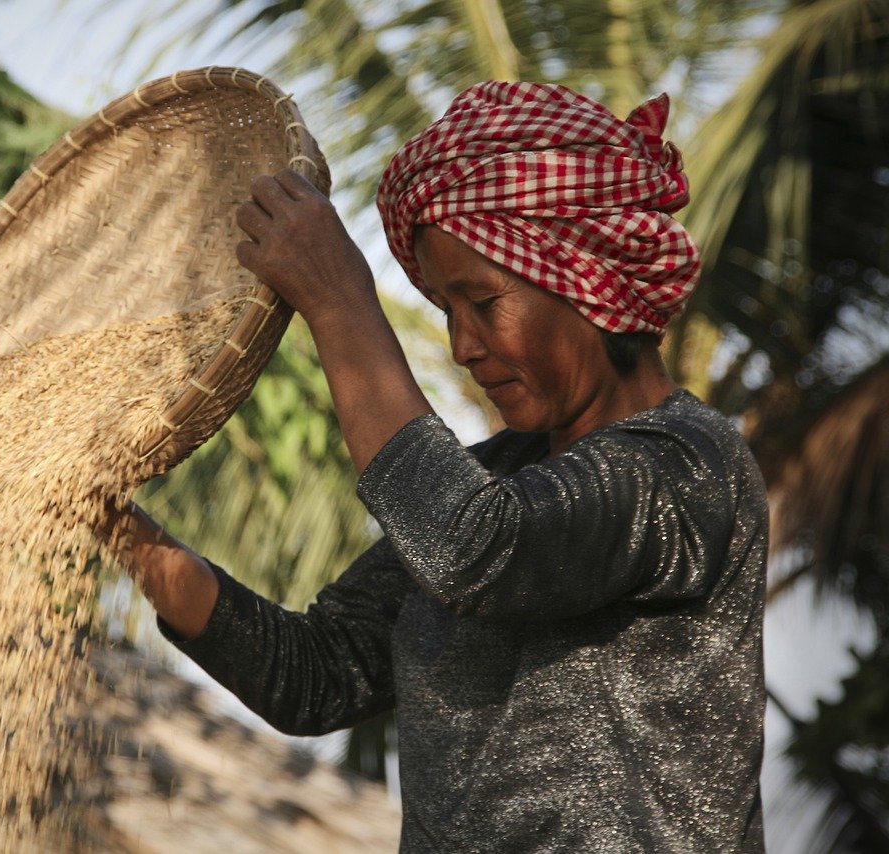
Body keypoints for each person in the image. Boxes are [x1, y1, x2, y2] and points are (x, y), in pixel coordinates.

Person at [106, 81, 767, 851]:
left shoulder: (686, 465)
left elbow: (478, 549)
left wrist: (340, 302)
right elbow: (315, 673)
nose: (463, 346)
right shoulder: (493, 481)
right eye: (447, 311)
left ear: (584, 277)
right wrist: (111, 521)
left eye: (483, 302)